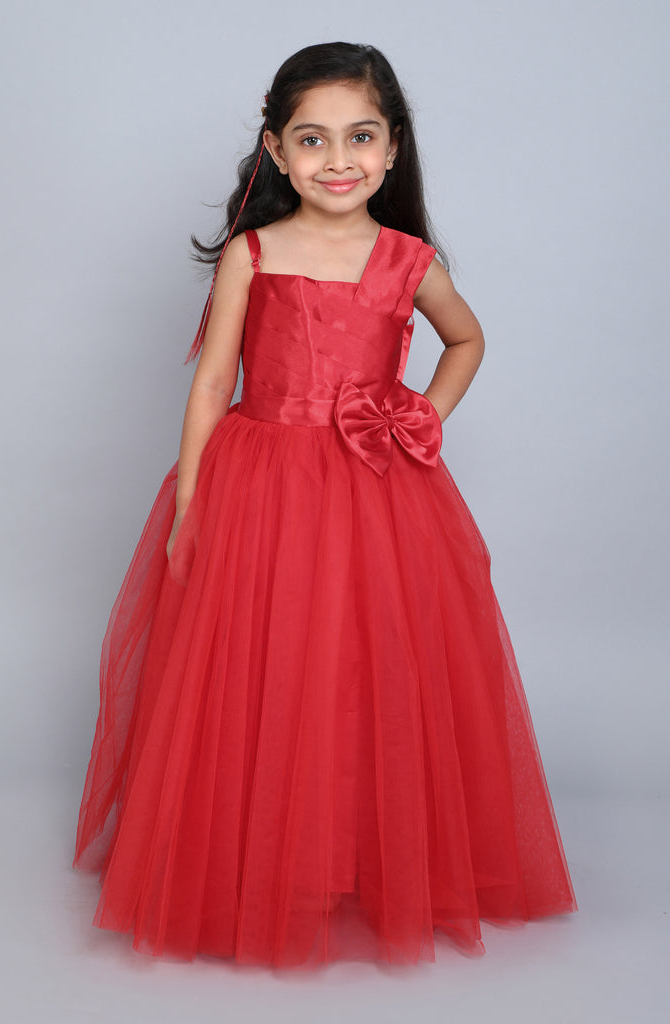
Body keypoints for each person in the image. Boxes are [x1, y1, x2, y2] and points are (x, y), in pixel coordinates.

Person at [73, 41, 577, 969]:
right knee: (267, 662)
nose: (337, 159)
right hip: (260, 482)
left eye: (360, 136)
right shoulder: (252, 253)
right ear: (275, 149)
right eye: (312, 139)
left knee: (361, 668)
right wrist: (190, 503)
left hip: (377, 489)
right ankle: (261, 860)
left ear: (392, 147)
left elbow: (465, 340)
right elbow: (212, 380)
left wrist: (418, 414)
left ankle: (359, 853)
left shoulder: (407, 260)